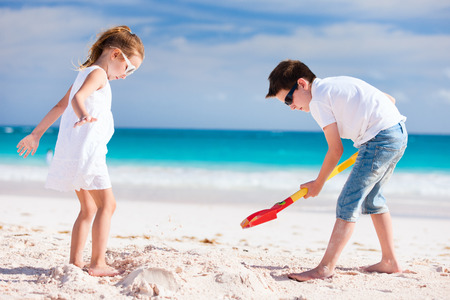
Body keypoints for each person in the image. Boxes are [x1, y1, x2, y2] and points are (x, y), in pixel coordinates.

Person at [16, 25, 144, 277]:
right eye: (129, 68)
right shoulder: (97, 75)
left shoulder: (85, 73)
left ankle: (75, 263)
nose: (127, 75)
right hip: (88, 152)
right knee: (108, 205)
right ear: (116, 54)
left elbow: (60, 105)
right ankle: (98, 263)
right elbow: (77, 101)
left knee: (88, 209)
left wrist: (36, 134)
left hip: (73, 153)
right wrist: (84, 115)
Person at [266, 59, 407, 282]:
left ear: (302, 84)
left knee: (347, 201)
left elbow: (335, 149)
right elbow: (389, 99)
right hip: (397, 133)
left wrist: (318, 183)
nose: (292, 106)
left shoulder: (318, 102)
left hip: (379, 140)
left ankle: (325, 268)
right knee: (373, 199)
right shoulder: (337, 83)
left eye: (289, 100)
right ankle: (389, 261)